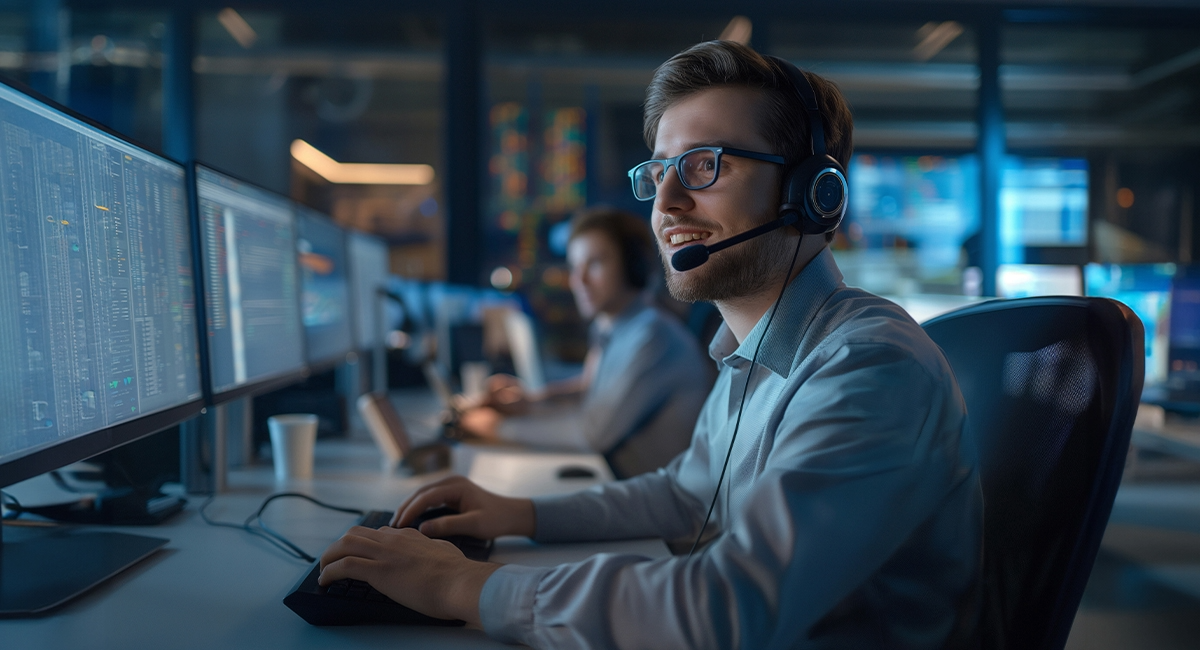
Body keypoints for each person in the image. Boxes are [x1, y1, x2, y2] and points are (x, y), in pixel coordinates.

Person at [318, 40, 982, 648]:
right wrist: (514, 512)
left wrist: (457, 587)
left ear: (813, 193)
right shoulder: (749, 357)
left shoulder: (868, 366)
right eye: (658, 172)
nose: (664, 203)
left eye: (702, 166)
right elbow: (685, 495)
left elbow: (723, 607)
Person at [459, 207, 714, 478]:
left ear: (633, 266)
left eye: (594, 263)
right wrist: (530, 402)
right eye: (574, 267)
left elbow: (592, 434)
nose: (578, 280)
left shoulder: (651, 337)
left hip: (662, 508)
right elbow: (594, 388)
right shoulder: (620, 328)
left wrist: (494, 428)